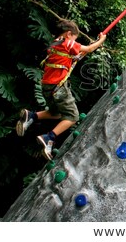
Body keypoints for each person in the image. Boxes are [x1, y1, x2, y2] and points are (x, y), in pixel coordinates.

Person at [16, 19, 107, 160]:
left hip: (47, 86)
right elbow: (88, 49)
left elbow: (74, 56)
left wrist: (86, 47)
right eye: (75, 37)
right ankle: (48, 138)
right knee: (73, 116)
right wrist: (101, 40)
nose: (74, 40)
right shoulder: (69, 42)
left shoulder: (55, 44)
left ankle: (32, 116)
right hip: (59, 88)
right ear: (69, 34)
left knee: (57, 113)